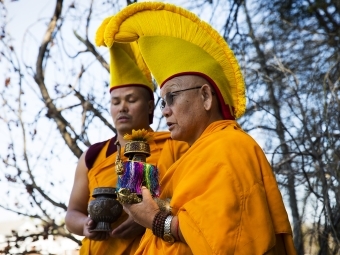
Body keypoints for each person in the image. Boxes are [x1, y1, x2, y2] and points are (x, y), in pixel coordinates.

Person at [100, 2, 297, 254]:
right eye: (162, 102)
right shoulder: (193, 158)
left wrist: (153, 218)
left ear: (206, 97)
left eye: (172, 97)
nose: (164, 110)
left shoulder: (229, 147)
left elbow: (228, 241)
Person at [65, 16, 188, 255]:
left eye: (131, 100)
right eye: (115, 101)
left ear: (151, 107)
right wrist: (86, 226)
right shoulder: (93, 156)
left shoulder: (175, 145)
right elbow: (72, 213)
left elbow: (191, 200)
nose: (122, 107)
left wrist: (151, 216)